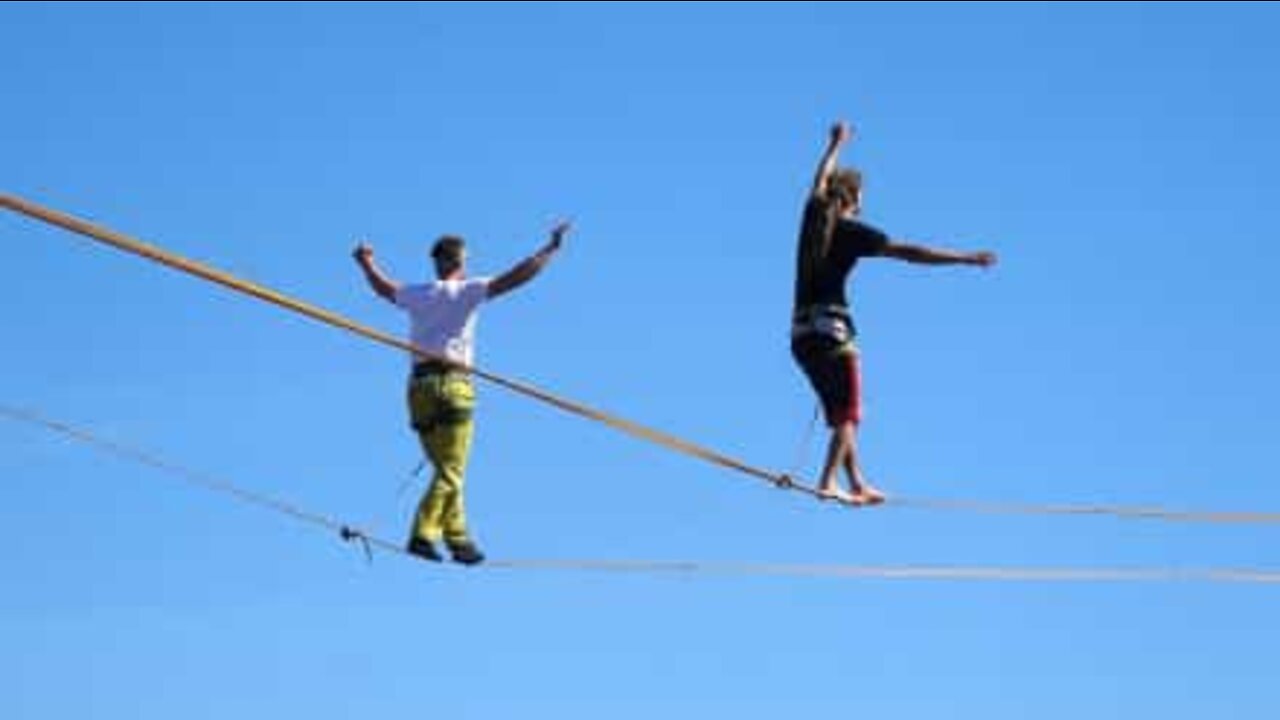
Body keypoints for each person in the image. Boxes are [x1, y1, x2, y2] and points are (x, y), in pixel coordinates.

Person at [791, 121, 996, 505]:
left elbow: (818, 181)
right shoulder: (852, 231)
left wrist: (834, 146)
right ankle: (828, 480)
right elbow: (912, 253)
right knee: (848, 414)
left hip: (800, 337)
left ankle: (855, 481)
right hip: (832, 332)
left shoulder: (813, 216)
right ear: (853, 197)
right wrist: (965, 258)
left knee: (838, 412)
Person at [353, 221, 569, 564]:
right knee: (451, 470)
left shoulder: (419, 294)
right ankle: (423, 533)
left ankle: (459, 538)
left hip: (419, 390)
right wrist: (550, 250)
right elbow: (517, 276)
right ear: (461, 261)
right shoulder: (468, 290)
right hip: (453, 386)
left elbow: (383, 288)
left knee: (448, 468)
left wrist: (366, 263)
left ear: (436, 262)